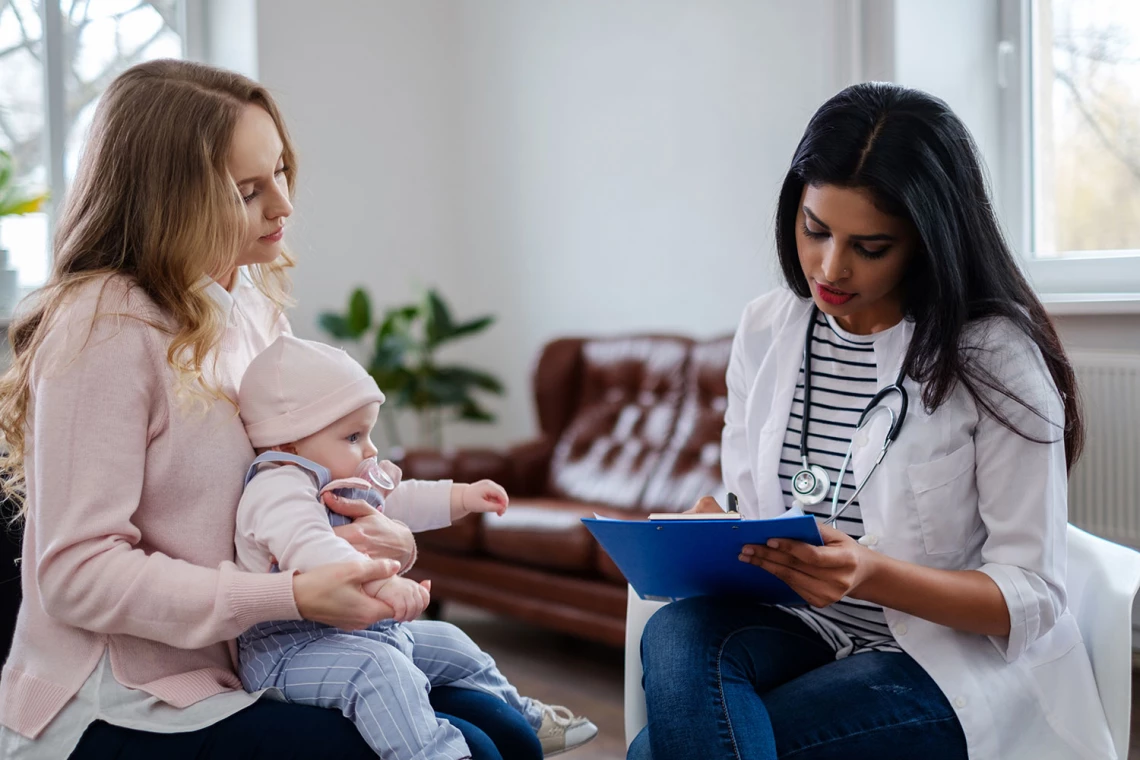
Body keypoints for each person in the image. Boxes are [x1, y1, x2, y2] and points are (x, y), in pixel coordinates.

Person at [0, 59, 540, 760]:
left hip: (251, 656)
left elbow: (302, 479)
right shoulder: (102, 327)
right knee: (469, 748)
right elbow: (76, 576)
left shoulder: (249, 308)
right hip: (123, 696)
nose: (283, 205)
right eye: (249, 190)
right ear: (169, 200)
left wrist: (381, 540)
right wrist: (291, 594)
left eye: (281, 172)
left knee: (506, 732)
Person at [628, 82, 1115, 760]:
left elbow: (1029, 597)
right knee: (676, 634)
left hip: (940, 664)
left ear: (926, 238)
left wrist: (869, 572)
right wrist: (722, 530)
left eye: (870, 245)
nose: (830, 267)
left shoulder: (994, 357)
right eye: (815, 229)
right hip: (805, 630)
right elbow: (757, 502)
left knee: (657, 753)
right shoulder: (768, 327)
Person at [232, 334, 599, 759]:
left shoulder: (343, 477)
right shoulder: (277, 488)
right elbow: (310, 547)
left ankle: (525, 717)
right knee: (379, 672)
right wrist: (382, 585)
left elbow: (402, 500)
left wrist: (461, 496)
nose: (369, 448)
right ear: (288, 443)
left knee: (452, 639)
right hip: (289, 653)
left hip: (361, 634)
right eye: (353, 436)